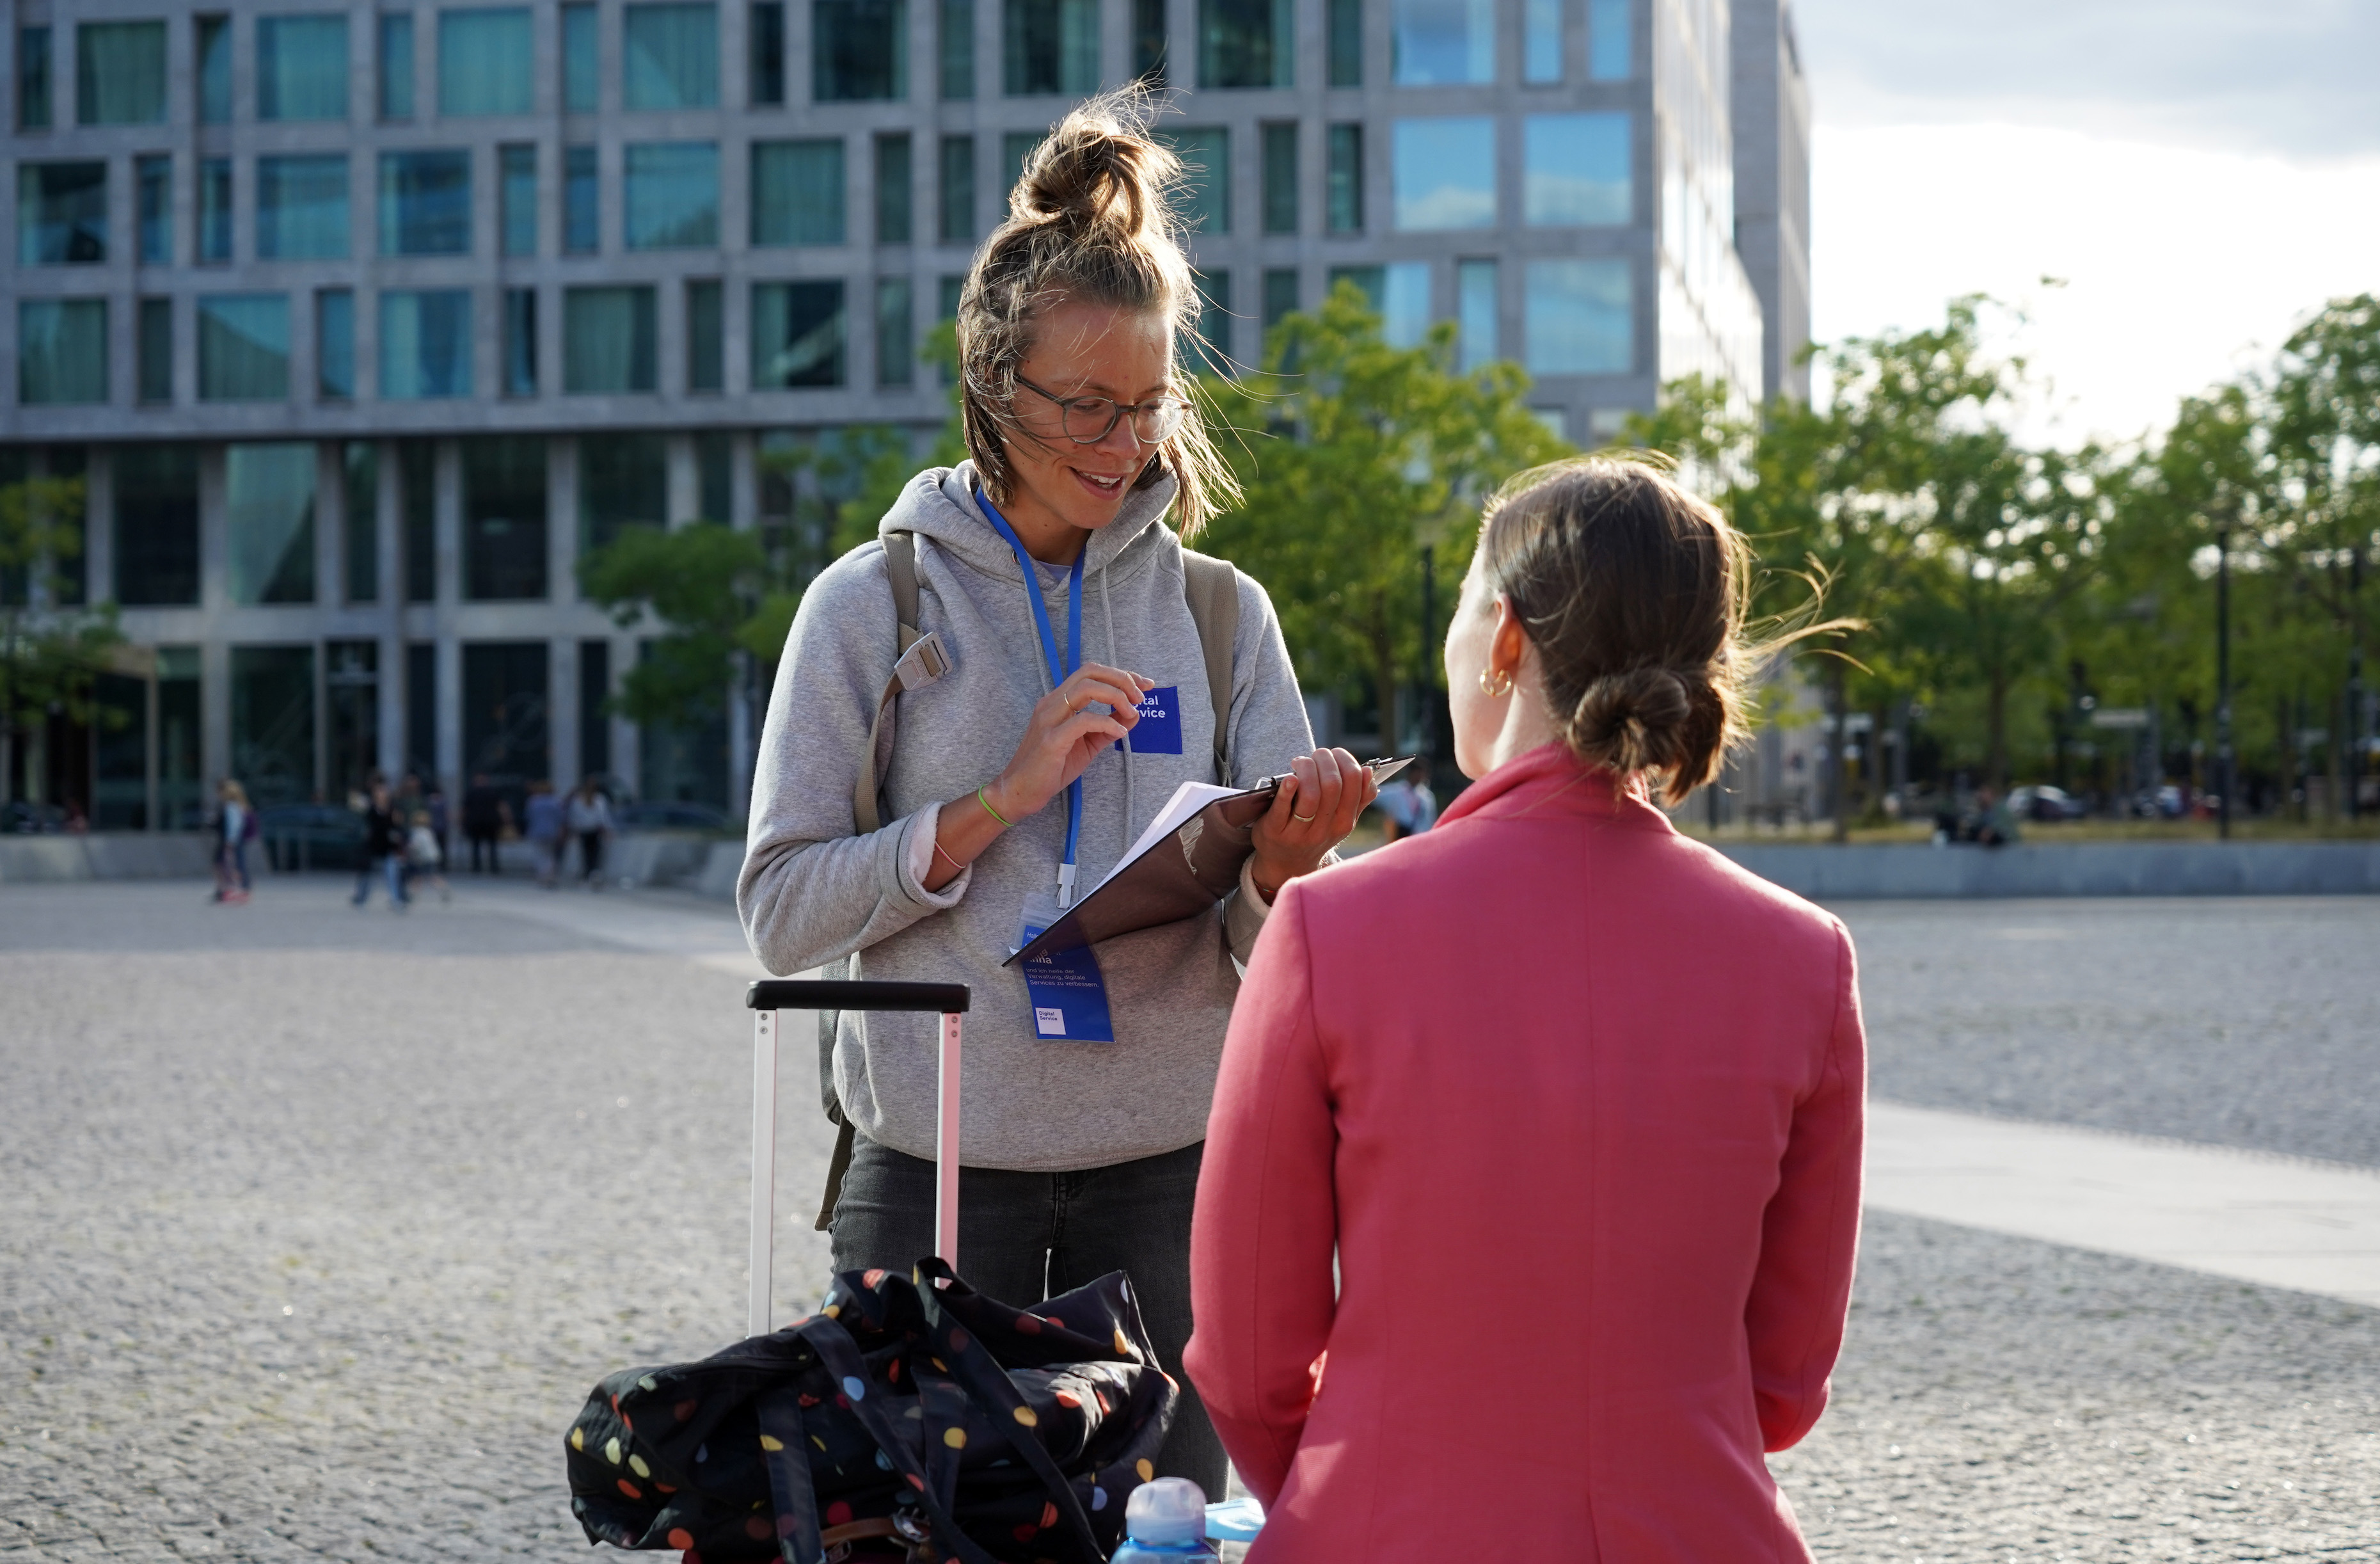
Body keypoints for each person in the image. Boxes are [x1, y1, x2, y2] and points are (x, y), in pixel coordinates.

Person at [738, 90, 1375, 1497]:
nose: (1121, 439)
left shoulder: (1222, 612)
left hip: (1174, 1172)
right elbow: (779, 916)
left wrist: (1281, 872)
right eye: (1084, 404)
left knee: (1167, 1535)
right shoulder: (869, 605)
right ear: (991, 386)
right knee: (919, 1533)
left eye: (1146, 405)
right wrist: (998, 799)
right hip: (932, 1172)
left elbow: (1280, 959)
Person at [1186, 457, 1868, 1560]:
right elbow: (1784, 1384)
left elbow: (1248, 1354)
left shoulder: (1330, 928)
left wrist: (1360, 1468)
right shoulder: (1803, 955)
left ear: (1504, 635)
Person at [351, 774, 409, 909]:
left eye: (383, 792)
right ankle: (361, 898)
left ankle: (396, 900)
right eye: (379, 792)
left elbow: (398, 826)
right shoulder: (371, 809)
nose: (381, 795)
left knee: (392, 874)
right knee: (366, 874)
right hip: (373, 845)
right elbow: (365, 821)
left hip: (389, 846)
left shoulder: (394, 809)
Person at [1372, 755, 1438, 841]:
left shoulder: (1427, 797)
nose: (1419, 776)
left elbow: (1430, 820)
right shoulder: (1396, 791)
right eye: (1417, 773)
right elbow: (1375, 795)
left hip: (1419, 836)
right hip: (1400, 834)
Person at [211, 779, 254, 904]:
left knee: (233, 863)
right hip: (238, 838)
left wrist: (230, 841)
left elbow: (234, 825)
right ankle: (242, 887)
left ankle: (239, 888)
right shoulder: (240, 806)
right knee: (237, 862)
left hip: (233, 839)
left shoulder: (231, 807)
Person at [566, 776, 614, 888]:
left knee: (585, 854)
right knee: (595, 853)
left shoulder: (578, 800)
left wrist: (573, 830)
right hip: (595, 830)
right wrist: (607, 829)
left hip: (584, 830)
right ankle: (594, 874)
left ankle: (589, 874)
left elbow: (574, 817)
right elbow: (603, 816)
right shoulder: (600, 799)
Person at [524, 779, 565, 888]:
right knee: (550, 855)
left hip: (537, 831)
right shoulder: (556, 801)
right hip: (552, 832)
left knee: (540, 855)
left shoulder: (533, 801)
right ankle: (550, 875)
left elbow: (528, 817)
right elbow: (561, 818)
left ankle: (543, 875)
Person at [461, 773, 505, 873]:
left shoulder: (471, 793)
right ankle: (494, 867)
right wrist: (505, 820)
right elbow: (501, 806)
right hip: (491, 821)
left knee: (476, 845)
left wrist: (462, 822)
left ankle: (477, 867)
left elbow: (464, 809)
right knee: (492, 845)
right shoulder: (492, 792)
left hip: (475, 822)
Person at [406, 808, 452, 902]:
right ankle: (444, 888)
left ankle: (412, 895)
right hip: (432, 857)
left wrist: (408, 849)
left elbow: (415, 845)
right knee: (430, 876)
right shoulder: (428, 831)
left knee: (419, 877)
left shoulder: (416, 832)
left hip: (422, 858)